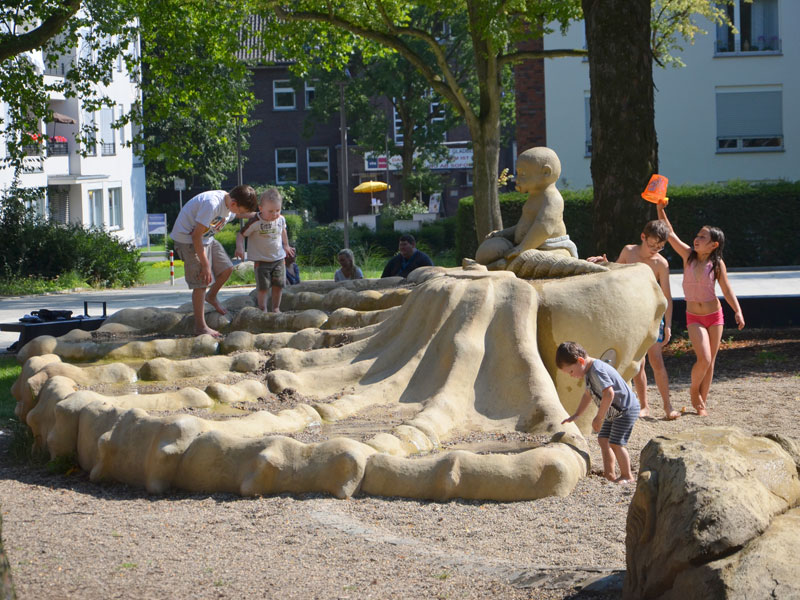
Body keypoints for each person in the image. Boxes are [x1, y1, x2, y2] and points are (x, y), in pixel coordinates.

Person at [657, 202, 744, 416]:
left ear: (714, 245)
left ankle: (701, 404)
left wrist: (737, 310)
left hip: (715, 316)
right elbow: (670, 233)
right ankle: (694, 390)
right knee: (703, 358)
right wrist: (660, 209)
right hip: (694, 316)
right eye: (697, 235)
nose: (697, 239)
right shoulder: (688, 256)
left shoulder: (717, 264)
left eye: (702, 237)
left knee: (710, 362)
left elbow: (726, 289)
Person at [588, 220, 678, 420]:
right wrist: (604, 262)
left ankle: (668, 406)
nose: (655, 250)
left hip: (652, 315)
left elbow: (667, 297)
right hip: (633, 315)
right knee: (638, 363)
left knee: (657, 360)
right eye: (652, 245)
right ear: (643, 237)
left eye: (660, 247)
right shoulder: (629, 252)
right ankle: (644, 406)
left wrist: (668, 324)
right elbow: (615, 274)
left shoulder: (661, 263)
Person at [170, 184, 258, 337]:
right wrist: (205, 265)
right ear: (234, 204)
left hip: (206, 239)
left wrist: (261, 214)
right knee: (202, 281)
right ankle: (200, 327)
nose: (240, 213)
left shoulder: (229, 205)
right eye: (240, 210)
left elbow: (238, 215)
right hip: (188, 240)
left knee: (227, 268)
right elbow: (195, 236)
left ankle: (211, 296)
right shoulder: (211, 205)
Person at [475, 146, 578, 270]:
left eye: (522, 174)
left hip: (550, 247)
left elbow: (544, 228)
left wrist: (523, 248)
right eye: (518, 174)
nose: (517, 179)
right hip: (525, 245)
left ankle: (496, 266)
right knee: (491, 247)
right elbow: (525, 225)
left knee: (532, 258)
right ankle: (495, 265)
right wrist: (502, 234)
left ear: (546, 172)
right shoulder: (534, 197)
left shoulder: (552, 199)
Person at [558, 341, 640, 483]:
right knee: (603, 440)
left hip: (625, 409)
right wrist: (577, 414)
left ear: (580, 361)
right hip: (613, 411)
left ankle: (627, 475)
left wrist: (599, 417)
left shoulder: (596, 370)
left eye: (571, 371)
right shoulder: (588, 371)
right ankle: (609, 475)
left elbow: (609, 393)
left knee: (616, 443)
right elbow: (588, 394)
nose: (571, 375)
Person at [235, 188, 295, 313]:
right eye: (271, 211)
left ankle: (276, 308)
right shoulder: (255, 222)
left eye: (278, 210)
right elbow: (241, 234)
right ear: (261, 208)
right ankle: (263, 309)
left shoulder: (280, 219)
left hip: (278, 259)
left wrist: (286, 245)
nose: (275, 214)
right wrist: (240, 247)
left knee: (278, 285)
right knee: (263, 287)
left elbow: (283, 231)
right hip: (261, 261)